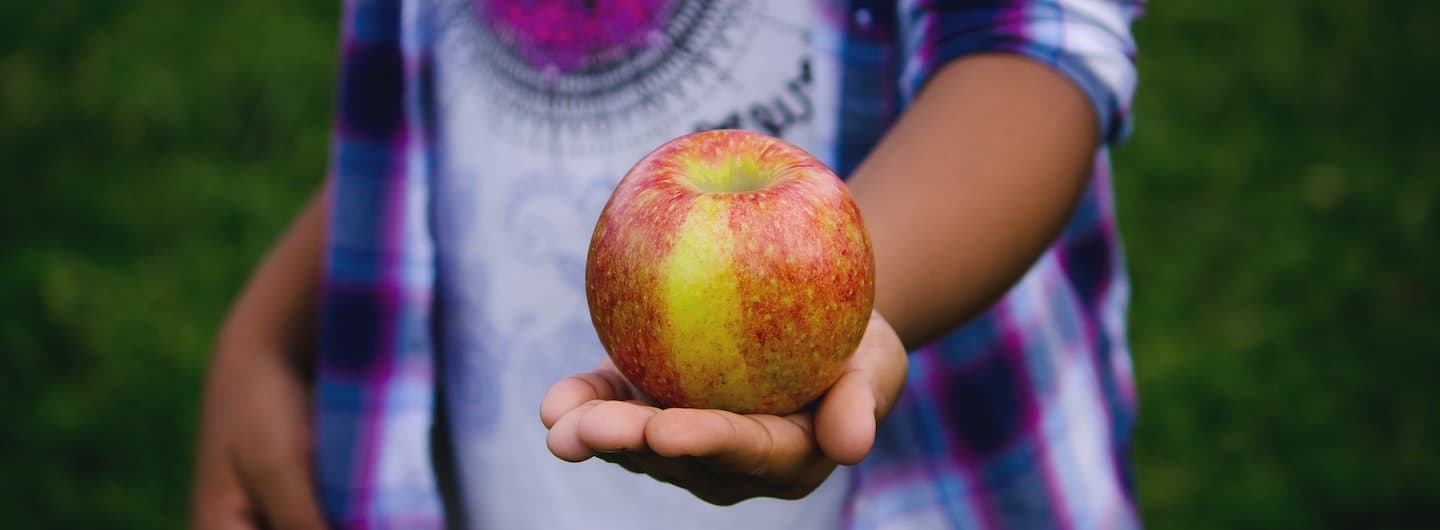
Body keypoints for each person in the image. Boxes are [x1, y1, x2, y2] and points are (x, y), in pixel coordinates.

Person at [191, 0, 1143, 528]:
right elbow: (441, 94)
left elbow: (1033, 47)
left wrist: (850, 305)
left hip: (906, 478)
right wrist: (265, 330)